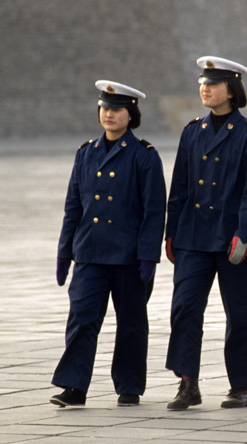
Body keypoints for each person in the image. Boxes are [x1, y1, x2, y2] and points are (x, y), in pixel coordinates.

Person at [164, 56, 247, 410]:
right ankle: (187, 383)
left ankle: (241, 385)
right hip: (193, 237)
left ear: (233, 90)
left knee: (240, 314)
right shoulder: (192, 131)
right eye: (202, 82)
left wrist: (246, 233)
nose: (205, 88)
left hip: (233, 238)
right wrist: (171, 232)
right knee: (184, 309)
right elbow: (179, 186)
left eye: (213, 83)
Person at [51, 80, 166, 407]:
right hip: (89, 254)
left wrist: (148, 257)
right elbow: (73, 207)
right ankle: (74, 387)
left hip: (129, 258)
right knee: (82, 319)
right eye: (104, 108)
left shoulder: (144, 156)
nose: (108, 115)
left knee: (131, 324)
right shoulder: (86, 153)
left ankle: (129, 385)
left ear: (131, 115)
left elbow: (155, 210)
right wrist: (64, 253)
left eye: (116, 110)